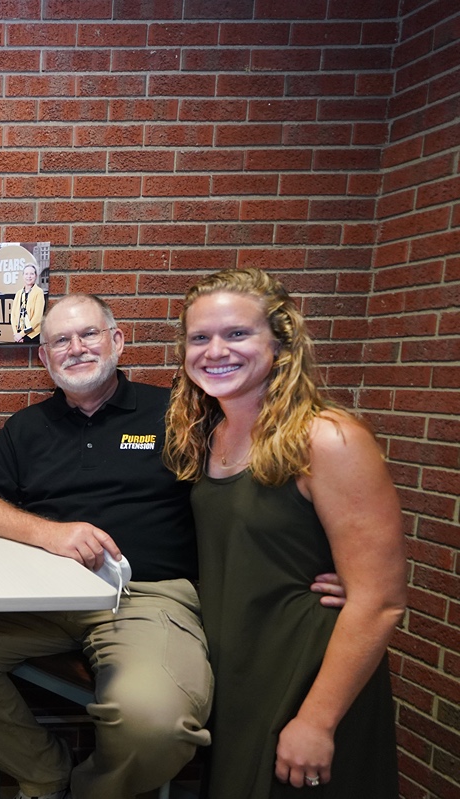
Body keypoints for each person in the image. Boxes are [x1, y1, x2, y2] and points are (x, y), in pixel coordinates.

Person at [0, 293, 345, 799]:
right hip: (46, 598)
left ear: (117, 341)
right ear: (44, 358)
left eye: (89, 334)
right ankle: (43, 773)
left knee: (156, 724)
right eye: (59, 341)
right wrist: (52, 534)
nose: (75, 348)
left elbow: (255, 495)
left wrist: (321, 564)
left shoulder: (180, 413)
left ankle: (90, 790)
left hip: (147, 597)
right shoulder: (27, 428)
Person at [163, 268, 405, 798]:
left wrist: (317, 720)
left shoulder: (328, 439)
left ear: (281, 342)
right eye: (199, 337)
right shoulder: (209, 432)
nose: (215, 350)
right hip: (238, 663)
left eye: (237, 334)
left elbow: (380, 602)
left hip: (306, 669)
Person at [11, 264, 45, 343]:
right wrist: (16, 334)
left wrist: (22, 334)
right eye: (26, 274)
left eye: (32, 274)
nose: (29, 276)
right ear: (23, 276)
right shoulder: (18, 293)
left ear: (36, 276)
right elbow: (13, 315)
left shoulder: (39, 292)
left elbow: (37, 318)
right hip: (18, 335)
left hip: (32, 335)